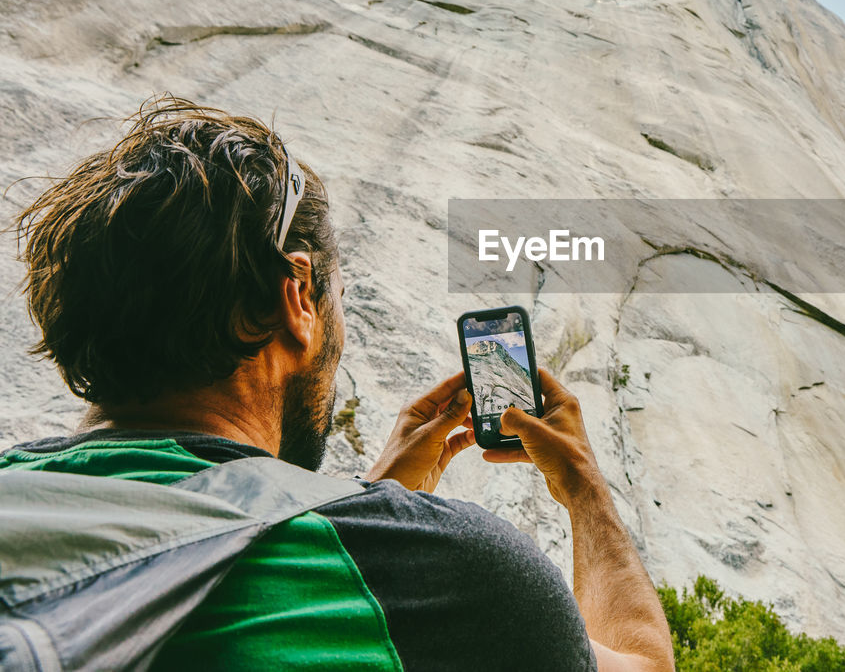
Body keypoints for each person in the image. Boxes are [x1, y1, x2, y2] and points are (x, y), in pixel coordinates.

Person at [1, 98, 675, 672]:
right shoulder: (457, 576)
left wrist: (367, 497)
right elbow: (643, 663)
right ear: (295, 296)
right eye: (338, 300)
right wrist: (584, 488)